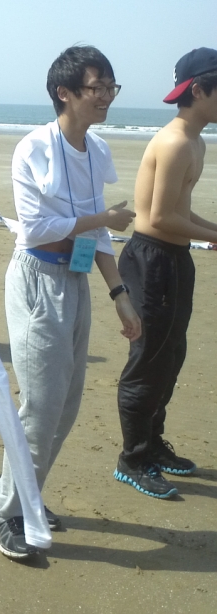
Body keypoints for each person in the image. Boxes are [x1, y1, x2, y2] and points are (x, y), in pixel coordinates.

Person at [0, 45, 140, 561]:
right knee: (41, 405)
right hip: (36, 278)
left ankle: (22, 495)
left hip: (74, 279)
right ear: (65, 93)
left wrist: (119, 295)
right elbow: (34, 230)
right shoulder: (34, 148)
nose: (106, 96)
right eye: (97, 87)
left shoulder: (95, 150)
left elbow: (96, 236)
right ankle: (6, 515)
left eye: (110, 87)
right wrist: (103, 220)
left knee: (66, 405)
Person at [114, 47, 217, 498]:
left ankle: (153, 444)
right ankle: (132, 458)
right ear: (200, 90)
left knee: (171, 357)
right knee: (148, 360)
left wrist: (212, 231)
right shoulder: (175, 142)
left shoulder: (196, 140)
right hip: (151, 259)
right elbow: (155, 218)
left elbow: (181, 211)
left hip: (174, 260)